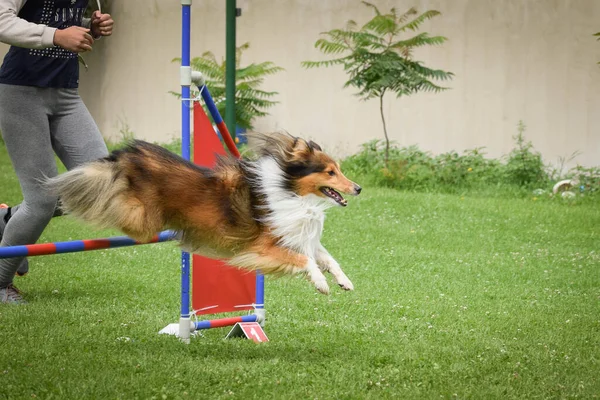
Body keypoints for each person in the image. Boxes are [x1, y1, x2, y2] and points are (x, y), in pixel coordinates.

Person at [0, 0, 114, 304]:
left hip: (65, 94)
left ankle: (7, 220)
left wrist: (91, 28)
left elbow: (62, 19)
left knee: (101, 181)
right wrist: (56, 36)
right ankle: (0, 282)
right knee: (41, 201)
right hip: (20, 93)